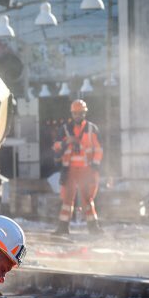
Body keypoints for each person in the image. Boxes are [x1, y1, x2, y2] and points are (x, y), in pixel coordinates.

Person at [52, 99, 103, 235]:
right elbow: (56, 147)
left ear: (84, 113)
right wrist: (65, 143)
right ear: (72, 114)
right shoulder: (64, 130)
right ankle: (63, 227)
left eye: (80, 113)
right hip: (70, 170)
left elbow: (98, 149)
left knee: (87, 199)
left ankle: (93, 228)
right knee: (67, 200)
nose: (77, 116)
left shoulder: (92, 129)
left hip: (86, 169)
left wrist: (95, 166)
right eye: (75, 113)